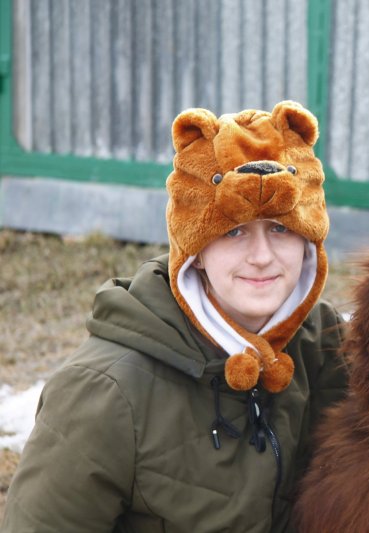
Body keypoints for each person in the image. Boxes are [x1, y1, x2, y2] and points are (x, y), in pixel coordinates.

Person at [1, 101, 348, 532]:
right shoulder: (105, 393)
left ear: (308, 242)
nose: (262, 257)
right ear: (196, 250)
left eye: (280, 229)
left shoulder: (330, 351)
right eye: (234, 232)